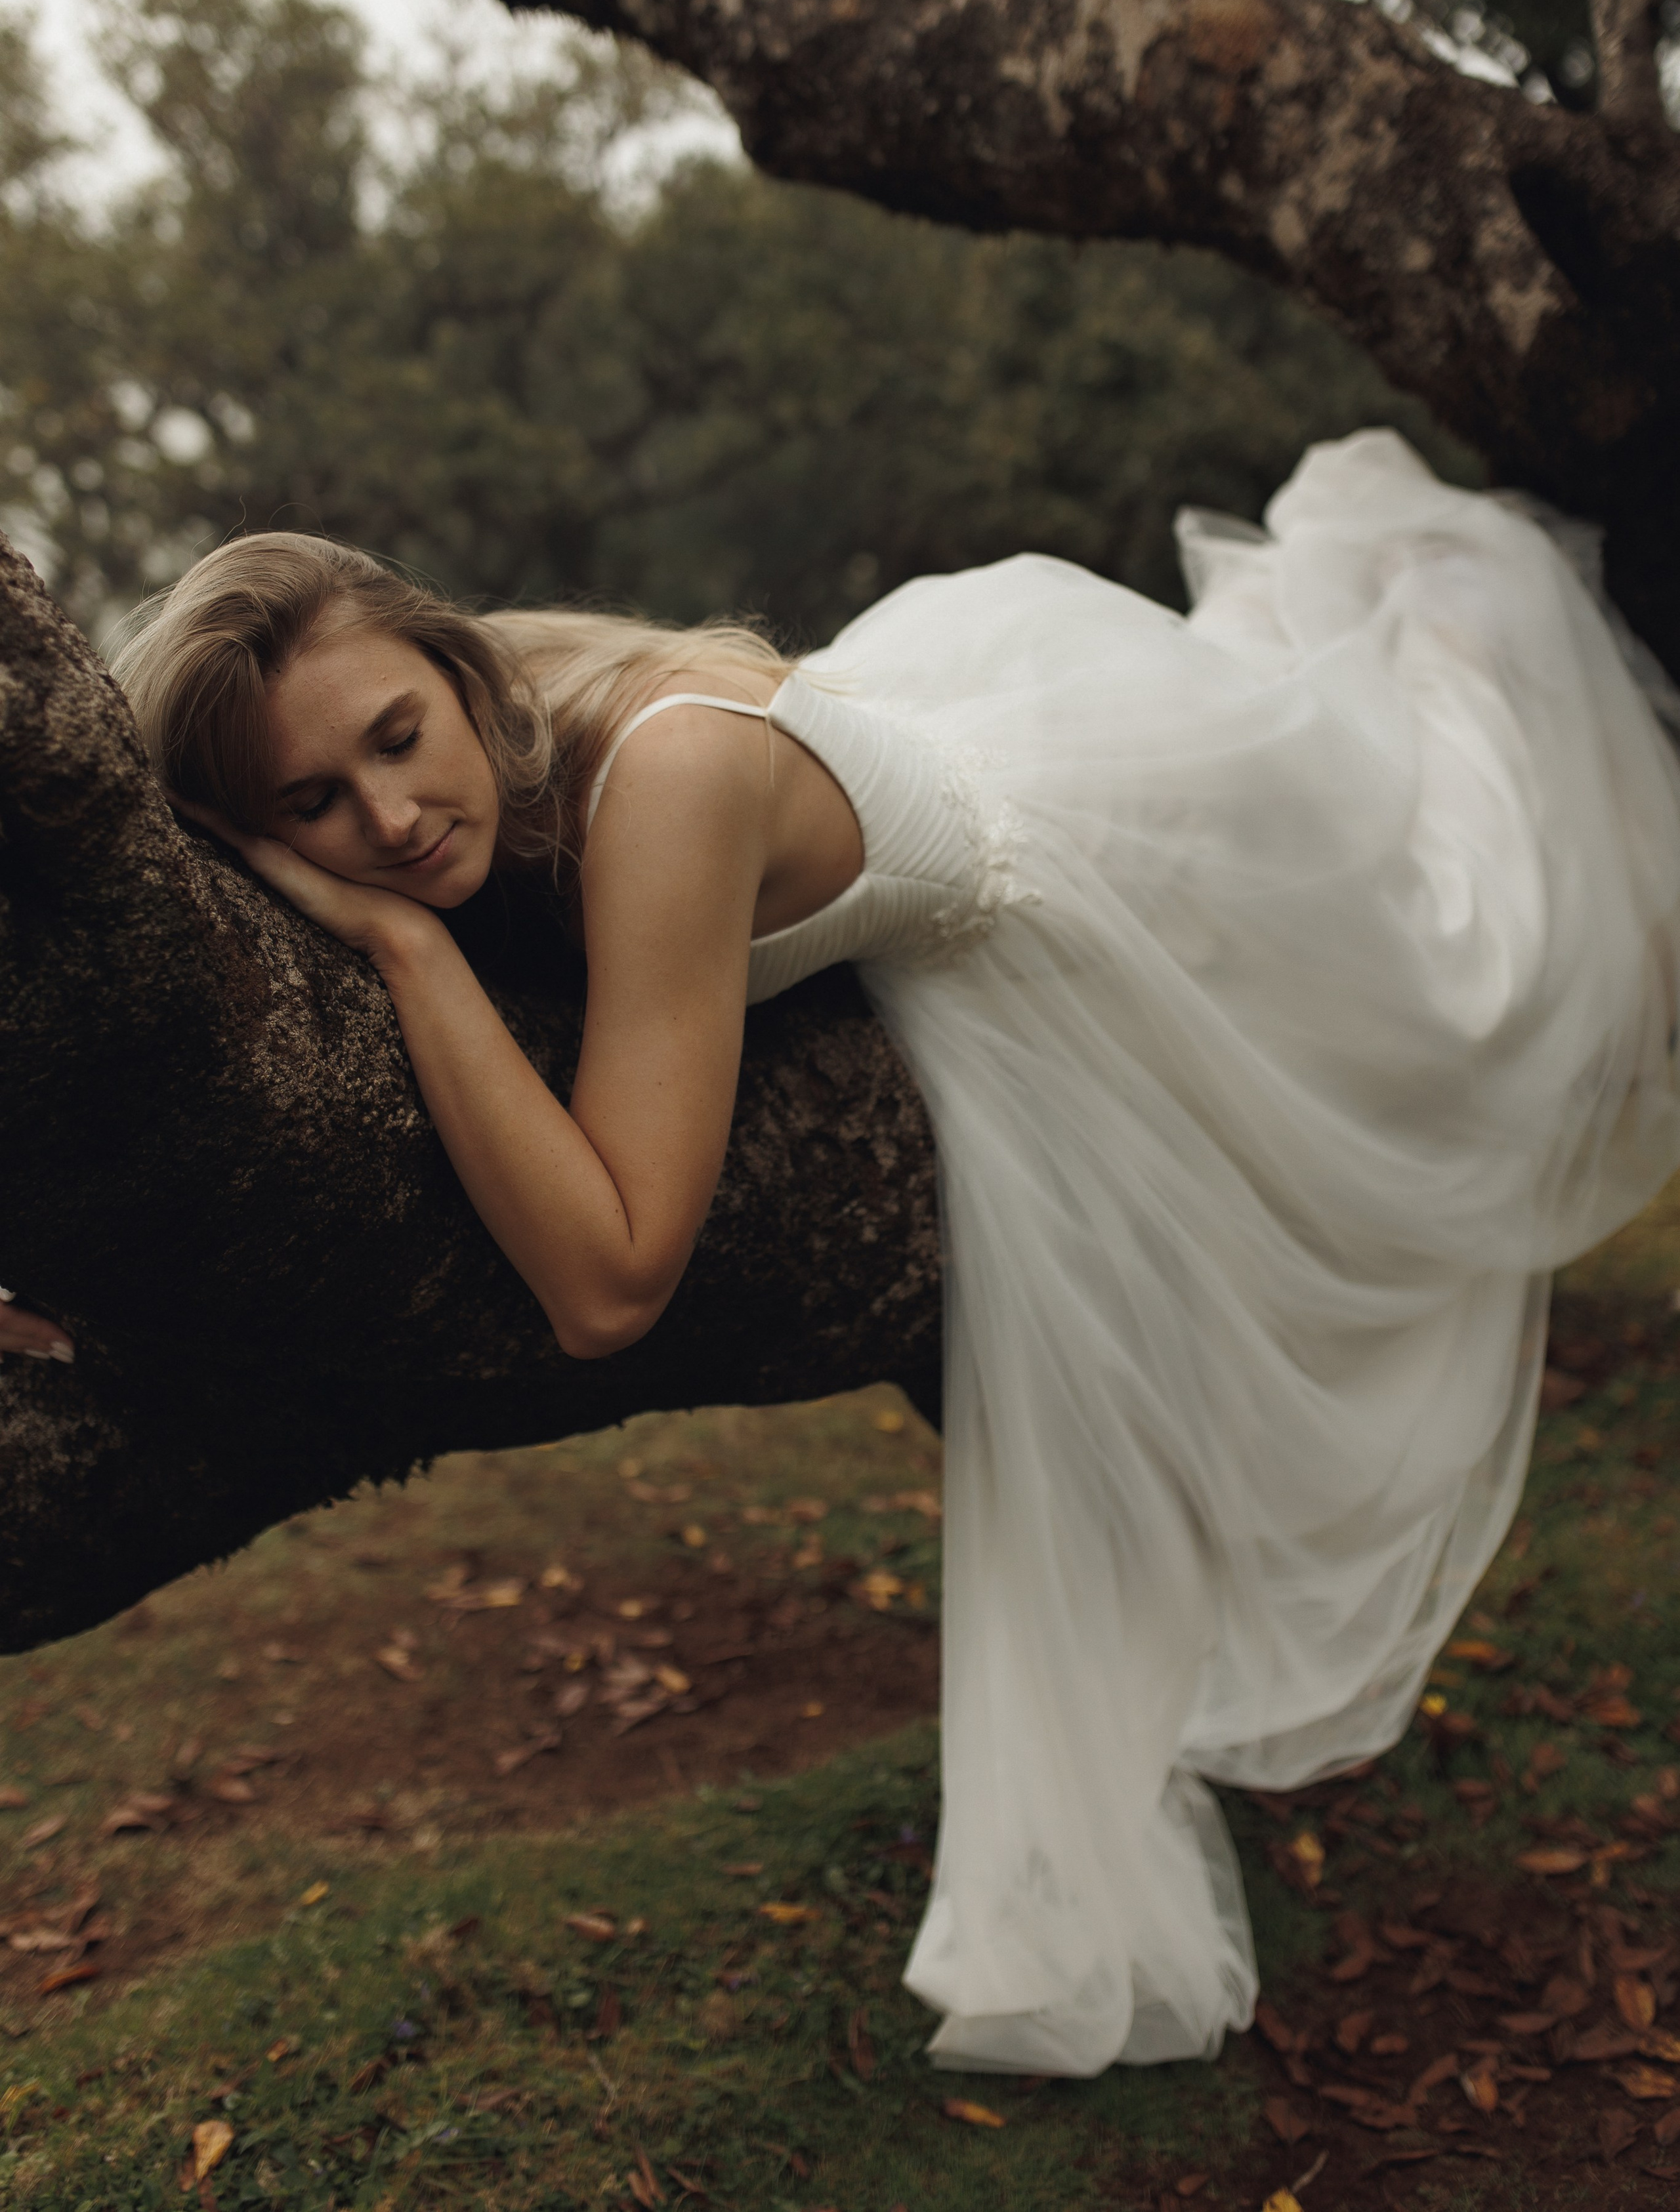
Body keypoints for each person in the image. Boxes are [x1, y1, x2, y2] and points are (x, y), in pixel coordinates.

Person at [7, 427, 1680, 2075]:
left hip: (1132, 869)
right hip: (948, 766)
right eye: (314, 805)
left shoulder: (657, 779)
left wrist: (394, 949)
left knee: (1472, 952)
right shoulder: (496, 744)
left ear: (454, 672)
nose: (389, 814)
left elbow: (609, 1282)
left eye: (395, 737)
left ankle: (1467, 629)